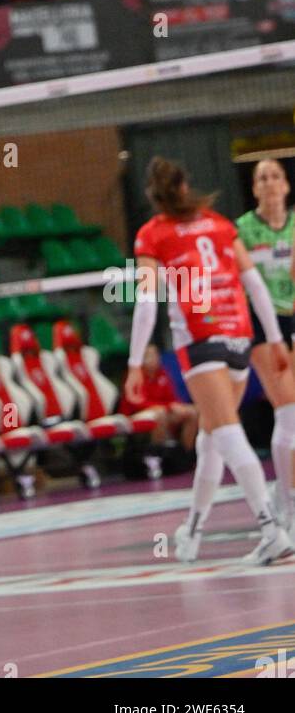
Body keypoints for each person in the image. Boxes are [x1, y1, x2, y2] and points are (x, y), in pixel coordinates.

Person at [125, 156, 292, 565]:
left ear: (154, 196)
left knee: (229, 434)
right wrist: (273, 339)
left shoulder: (153, 235)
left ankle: (272, 529)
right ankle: (193, 529)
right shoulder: (219, 224)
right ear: (185, 188)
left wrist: (133, 363)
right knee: (212, 437)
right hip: (239, 336)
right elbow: (253, 283)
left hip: (201, 341)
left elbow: (146, 304)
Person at [236, 158, 295, 534]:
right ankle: (286, 506)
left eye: (275, 176)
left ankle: (282, 492)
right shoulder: (241, 229)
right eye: (262, 178)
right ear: (254, 189)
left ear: (286, 186)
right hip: (259, 323)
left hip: (292, 316)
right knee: (287, 410)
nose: (270, 183)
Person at [120, 343, 199, 452]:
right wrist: (168, 406)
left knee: (192, 412)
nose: (154, 359)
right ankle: (160, 453)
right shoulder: (134, 376)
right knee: (160, 414)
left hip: (164, 410)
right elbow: (137, 402)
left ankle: (186, 453)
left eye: (155, 355)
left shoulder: (162, 373)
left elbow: (171, 396)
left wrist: (177, 405)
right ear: (141, 359)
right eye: (149, 356)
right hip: (136, 413)